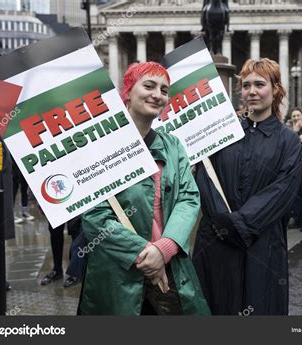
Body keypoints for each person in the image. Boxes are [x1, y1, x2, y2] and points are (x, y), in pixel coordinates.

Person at [78, 62, 210, 315]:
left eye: (164, 90)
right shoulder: (100, 147)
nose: (157, 94)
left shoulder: (172, 145)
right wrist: (143, 253)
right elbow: (94, 216)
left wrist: (164, 249)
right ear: (127, 91)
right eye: (148, 86)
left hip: (170, 267)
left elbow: (189, 198)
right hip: (119, 274)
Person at [193, 58, 302, 315]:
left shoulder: (288, 140)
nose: (251, 91)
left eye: (260, 84)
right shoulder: (222, 132)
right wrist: (223, 221)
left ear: (275, 89)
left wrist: (240, 223)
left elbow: (282, 190)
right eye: (246, 85)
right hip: (218, 241)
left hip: (262, 242)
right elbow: (206, 179)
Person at [40, 217, 82, 288]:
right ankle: (57, 269)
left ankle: (75, 271)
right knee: (55, 231)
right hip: (55, 208)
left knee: (75, 228)